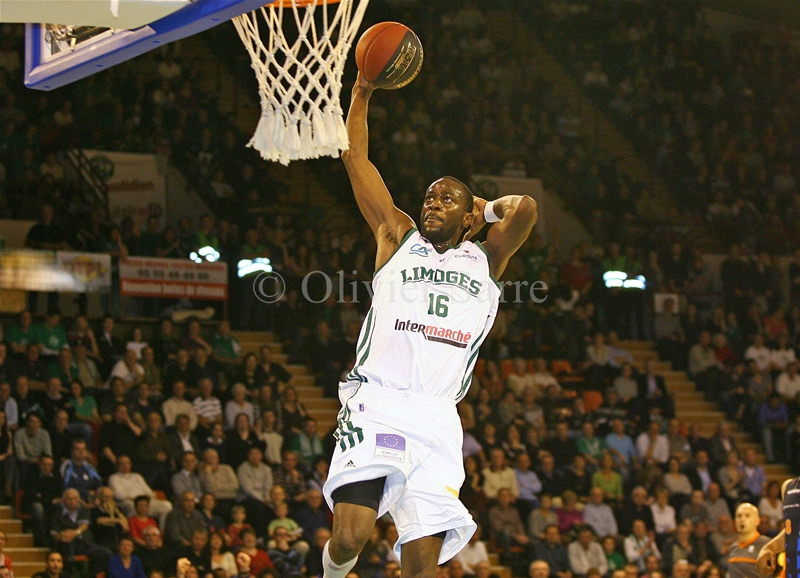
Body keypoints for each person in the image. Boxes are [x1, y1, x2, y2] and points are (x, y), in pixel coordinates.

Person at [321, 71, 538, 578]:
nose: (432, 204)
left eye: (446, 199)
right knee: (350, 536)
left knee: (422, 566)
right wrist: (361, 94)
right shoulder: (397, 235)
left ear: (469, 218)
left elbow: (525, 210)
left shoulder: (486, 258)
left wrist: (489, 207)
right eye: (429, 197)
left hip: (438, 417)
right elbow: (356, 159)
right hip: (378, 401)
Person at [725, 503, 768, 578]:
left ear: (757, 521)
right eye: (739, 516)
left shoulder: (766, 545)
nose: (742, 519)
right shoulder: (733, 547)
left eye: (747, 515)